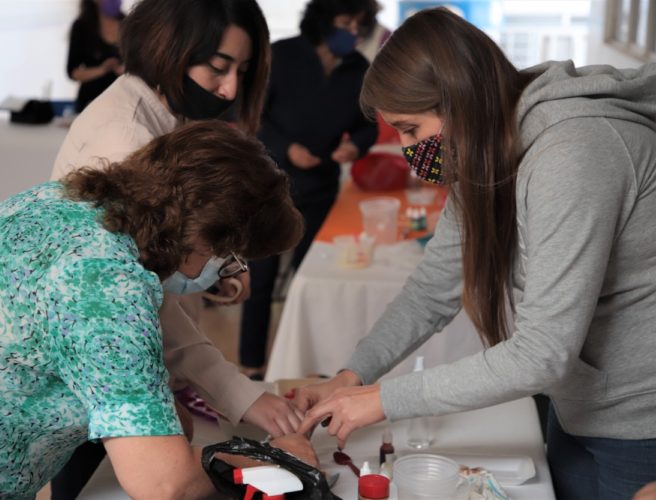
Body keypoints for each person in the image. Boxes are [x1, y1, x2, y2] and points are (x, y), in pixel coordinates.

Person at [294, 8, 656, 500]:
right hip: (578, 403)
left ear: (458, 101)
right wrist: (351, 376)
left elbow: (541, 353)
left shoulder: (573, 153)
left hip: (639, 423)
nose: (408, 151)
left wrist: (383, 399)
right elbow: (431, 291)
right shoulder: (487, 148)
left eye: (410, 129)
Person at [0, 122, 316, 498]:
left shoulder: (65, 201)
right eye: (230, 259)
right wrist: (267, 458)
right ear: (202, 238)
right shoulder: (107, 284)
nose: (225, 272)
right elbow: (162, 483)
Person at [51, 0, 304, 497]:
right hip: (85, 377)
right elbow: (165, 484)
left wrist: (221, 262)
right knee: (89, 480)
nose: (229, 89)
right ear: (170, 48)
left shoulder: (163, 115)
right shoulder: (125, 140)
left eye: (241, 71)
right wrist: (239, 402)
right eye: (218, 67)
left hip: (116, 363)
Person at [238, 0, 379, 377]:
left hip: (320, 187)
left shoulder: (358, 68)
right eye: (345, 21)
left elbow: (368, 125)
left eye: (359, 25)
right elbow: (252, 116)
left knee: (309, 279)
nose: (352, 31)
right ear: (324, 19)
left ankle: (302, 364)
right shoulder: (282, 55)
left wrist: (355, 146)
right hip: (267, 184)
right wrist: (287, 149)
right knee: (261, 279)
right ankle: (251, 364)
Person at [66, 0, 125, 113]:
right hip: (90, 102)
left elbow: (142, 64)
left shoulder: (128, 24)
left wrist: (126, 70)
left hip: (123, 102)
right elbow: (73, 72)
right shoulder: (82, 27)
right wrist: (102, 69)